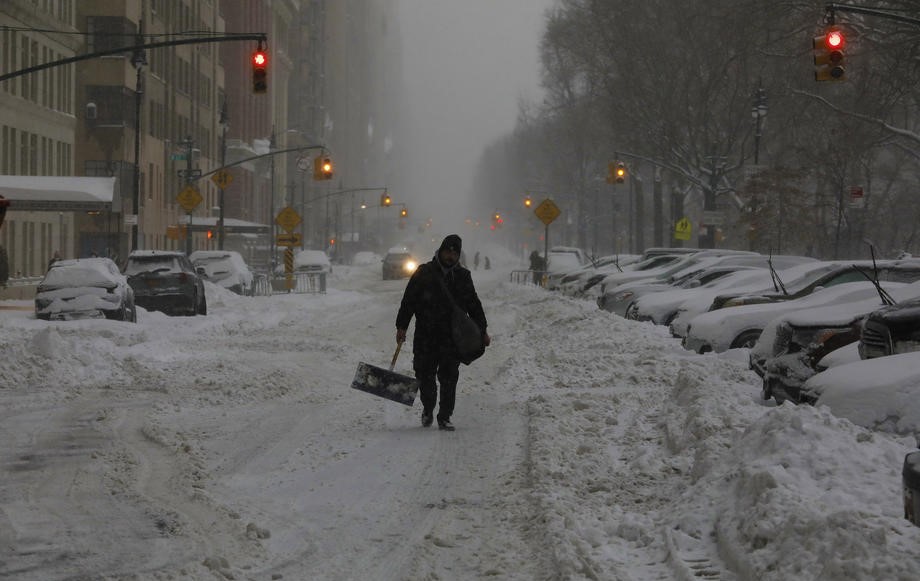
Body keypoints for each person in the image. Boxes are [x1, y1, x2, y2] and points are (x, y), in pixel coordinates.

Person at [396, 234, 490, 431]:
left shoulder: (463, 277)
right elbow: (408, 301)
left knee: (449, 378)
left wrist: (483, 330)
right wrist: (401, 326)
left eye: (455, 253)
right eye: (448, 251)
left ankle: (445, 416)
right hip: (426, 336)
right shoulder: (424, 273)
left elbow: (474, 305)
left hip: (451, 338)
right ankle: (428, 409)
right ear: (441, 250)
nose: (451, 256)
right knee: (424, 375)